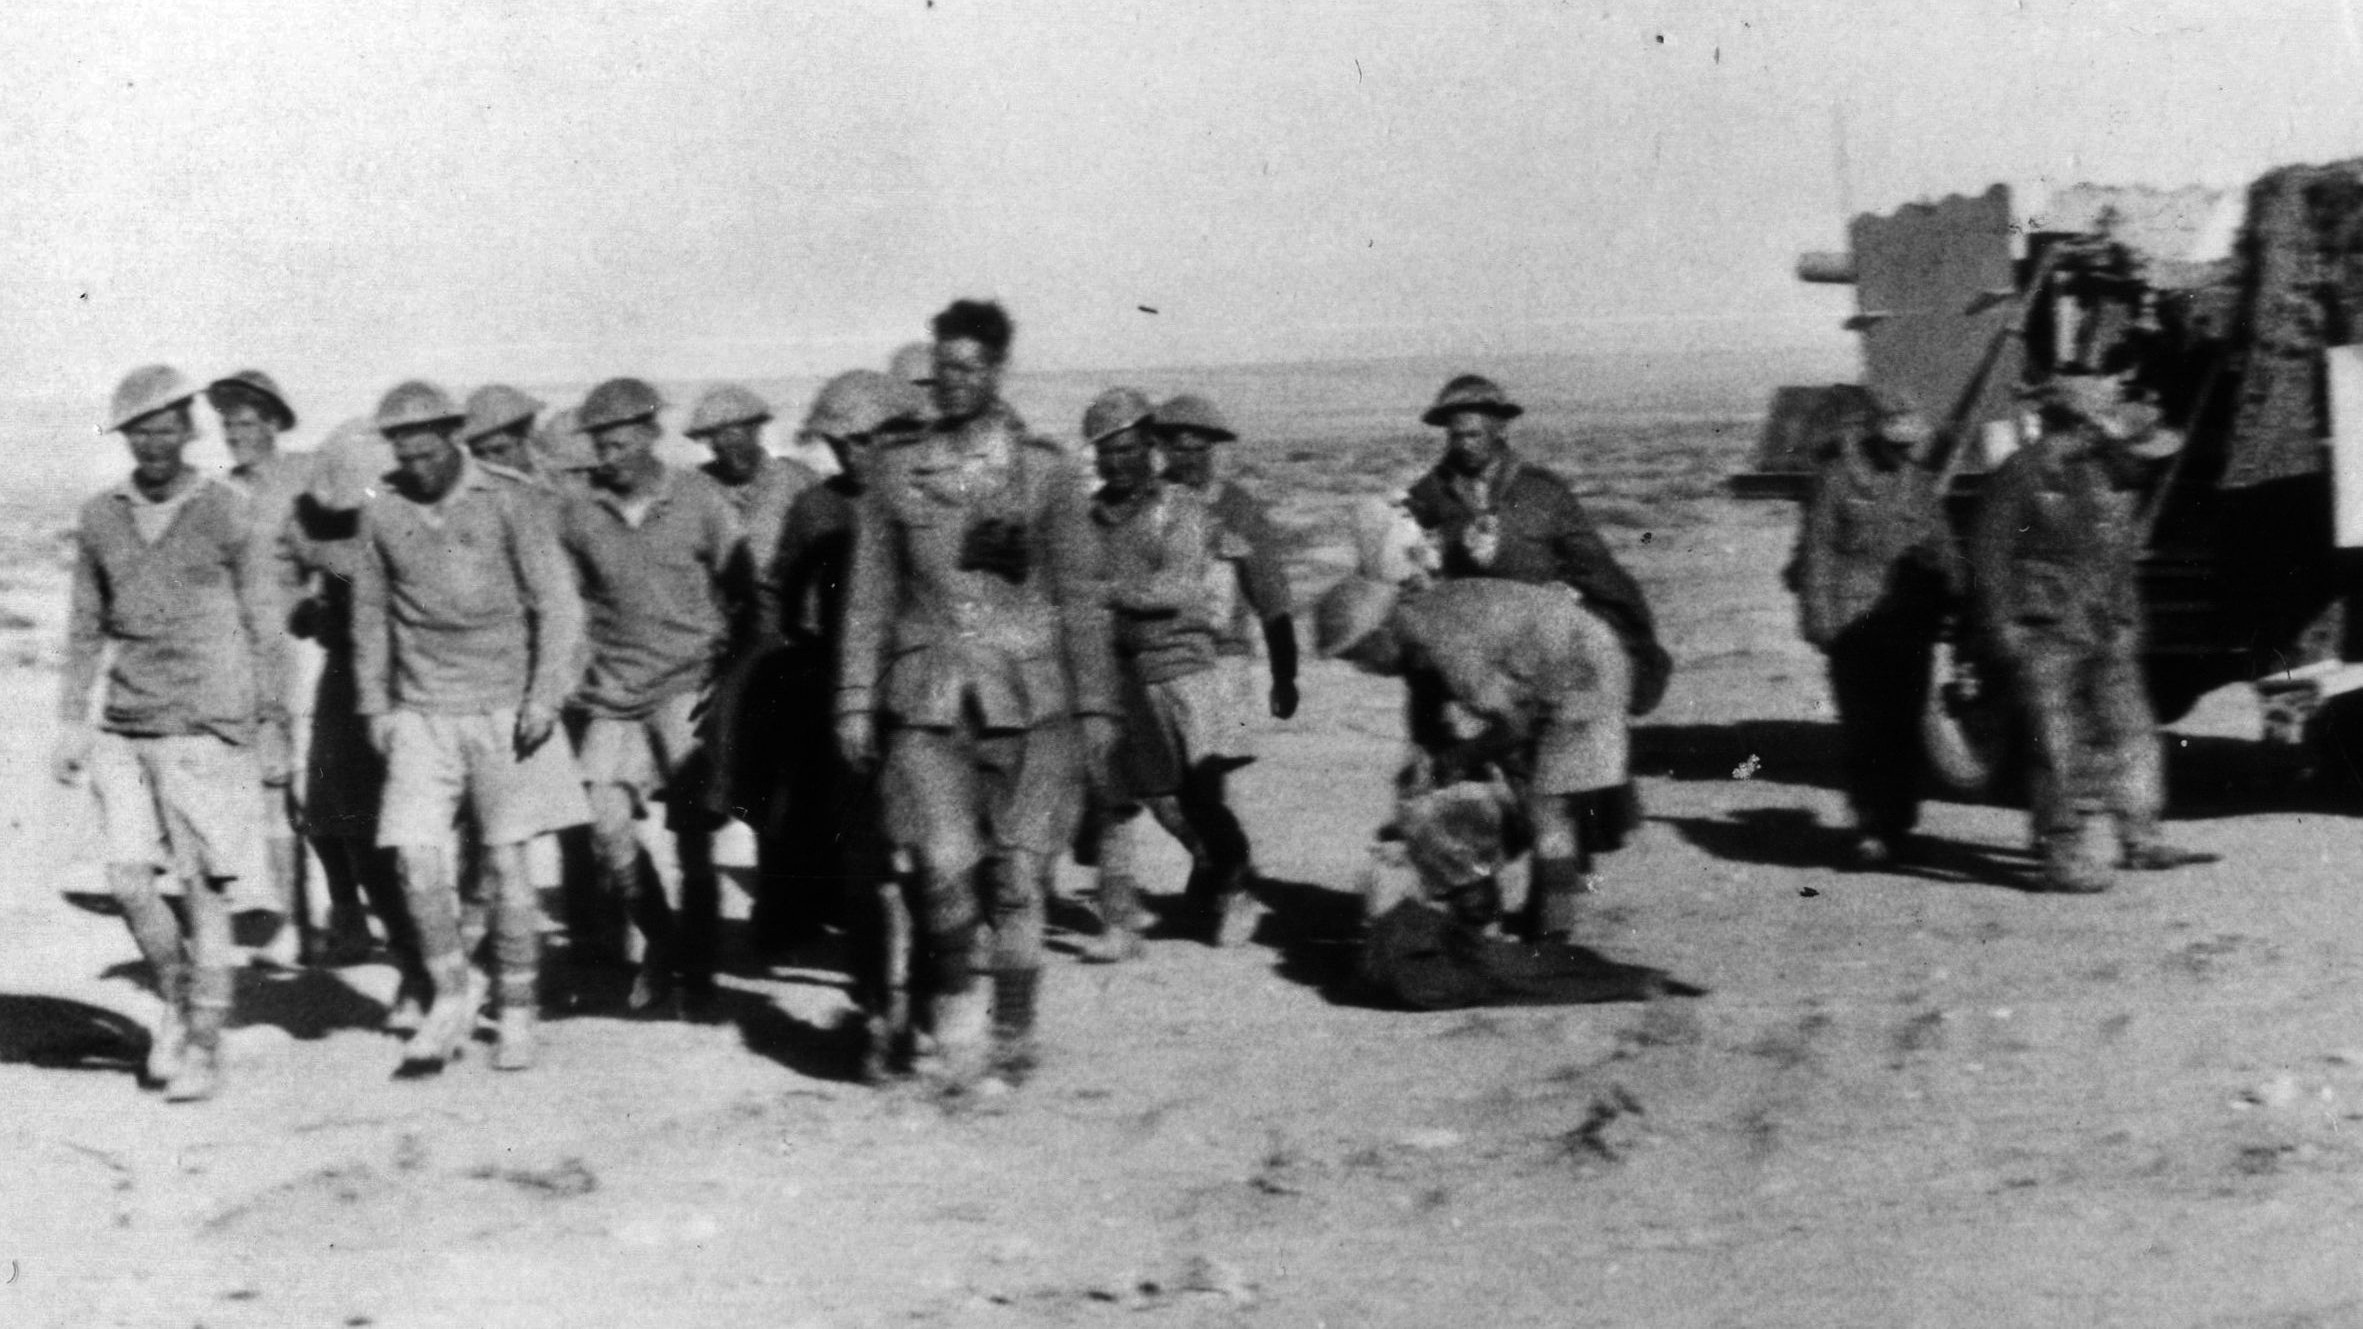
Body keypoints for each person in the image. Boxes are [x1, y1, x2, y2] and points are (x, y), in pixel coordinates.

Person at [837, 299, 1116, 1088]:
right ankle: (958, 1034)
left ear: (997, 371)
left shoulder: (1043, 473)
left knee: (1017, 879)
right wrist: (854, 698)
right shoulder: (896, 472)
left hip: (1033, 706)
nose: (951, 381)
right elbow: (866, 597)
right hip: (926, 702)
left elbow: (1082, 597)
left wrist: (1096, 705)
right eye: (942, 366)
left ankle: (1015, 1033)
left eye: (968, 367)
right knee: (942, 868)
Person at [56, 365, 291, 1101]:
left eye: (165, 428)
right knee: (128, 880)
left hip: (206, 724)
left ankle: (205, 1045)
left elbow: (265, 627)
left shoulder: (229, 508)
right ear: (124, 437)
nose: (153, 443)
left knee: (204, 891)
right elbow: (85, 626)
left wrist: (272, 723)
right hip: (125, 722)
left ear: (188, 431)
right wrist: (69, 719)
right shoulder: (100, 516)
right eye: (138, 431)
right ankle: (181, 999)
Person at [352, 379, 588, 1073]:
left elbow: (559, 606)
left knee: (508, 864)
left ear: (453, 434)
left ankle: (517, 1010)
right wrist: (375, 708)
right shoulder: (382, 510)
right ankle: (451, 993)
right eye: (402, 448)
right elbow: (369, 619)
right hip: (422, 713)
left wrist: (544, 696)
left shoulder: (510, 499)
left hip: (505, 708)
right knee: (415, 860)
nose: (415, 461)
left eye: (427, 447)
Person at [1968, 374, 2213, 893]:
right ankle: (2061, 854)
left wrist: (2129, 621)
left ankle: (2141, 839)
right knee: (2056, 746)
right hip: (2044, 630)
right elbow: (1988, 558)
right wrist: (2002, 629)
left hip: (2105, 628)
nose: (2148, 464)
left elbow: (2118, 561)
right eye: (2138, 450)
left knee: (2134, 733)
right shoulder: (2026, 473)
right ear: (2093, 432)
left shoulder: (2114, 480)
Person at [759, 369, 932, 1075]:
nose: (852, 454)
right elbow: (779, 594)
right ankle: (874, 1011)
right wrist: (782, 669)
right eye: (840, 442)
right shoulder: (814, 509)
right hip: (850, 709)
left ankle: (923, 1006)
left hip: (932, 704)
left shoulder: (935, 499)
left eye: (867, 439)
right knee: (866, 872)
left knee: (932, 866)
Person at [558, 376, 749, 1017]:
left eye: (618, 443)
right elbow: (569, 600)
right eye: (599, 445)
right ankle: (661, 941)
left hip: (686, 686)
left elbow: (742, 582)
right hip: (613, 694)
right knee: (606, 829)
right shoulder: (579, 512)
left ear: (648, 436)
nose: (607, 456)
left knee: (694, 838)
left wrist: (730, 670)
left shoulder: (698, 498)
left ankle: (699, 972)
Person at [1315, 573, 1631, 942]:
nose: (1363, 670)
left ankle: (1553, 940)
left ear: (1381, 632)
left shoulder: (1446, 645)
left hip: (1585, 673)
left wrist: (1453, 762)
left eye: (1360, 657)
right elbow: (1427, 714)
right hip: (1549, 669)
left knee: (1549, 811)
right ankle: (1532, 906)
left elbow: (1514, 727)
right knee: (1525, 792)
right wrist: (1419, 782)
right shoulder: (1415, 628)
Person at [1083, 388, 1257, 956]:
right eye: (1106, 452)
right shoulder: (1091, 519)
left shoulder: (1180, 510)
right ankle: (1215, 875)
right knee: (1156, 796)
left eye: (1129, 449)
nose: (1119, 462)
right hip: (1123, 673)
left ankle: (1235, 886)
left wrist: (1103, 595)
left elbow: (1175, 589)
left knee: (1203, 794)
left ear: (1150, 448)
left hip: (1184, 669)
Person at [1403, 375, 1669, 717]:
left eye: (1473, 435)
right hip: (1471, 641)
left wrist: (1571, 593)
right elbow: (1401, 558)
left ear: (1499, 430)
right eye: (1456, 436)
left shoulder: (1543, 493)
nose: (1464, 444)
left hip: (1540, 634)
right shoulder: (1429, 494)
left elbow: (1596, 569)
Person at [1791, 388, 1962, 866]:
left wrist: (1953, 590)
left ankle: (1898, 821)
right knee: (1867, 728)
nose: (1904, 452)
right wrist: (1820, 622)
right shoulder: (1836, 481)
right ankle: (1870, 822)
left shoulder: (1918, 482)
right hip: (1852, 625)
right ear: (1875, 437)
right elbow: (1817, 554)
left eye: (1911, 445)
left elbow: (1943, 544)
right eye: (1896, 443)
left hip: (1907, 623)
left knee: (1906, 725)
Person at [277, 420, 408, 977]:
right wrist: (307, 610)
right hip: (343, 675)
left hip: (404, 677)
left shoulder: (403, 518)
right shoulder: (313, 522)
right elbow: (293, 583)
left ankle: (413, 941)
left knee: (388, 820)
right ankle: (349, 915)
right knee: (325, 805)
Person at [208, 369, 316, 966]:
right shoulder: (222, 494)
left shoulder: (301, 480)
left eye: (246, 423)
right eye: (226, 425)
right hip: (247, 661)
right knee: (274, 792)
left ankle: (350, 911)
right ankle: (295, 920)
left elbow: (337, 553)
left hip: (304, 652)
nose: (234, 434)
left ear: (273, 423)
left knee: (321, 793)